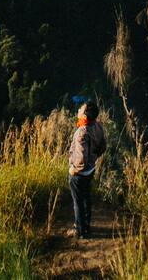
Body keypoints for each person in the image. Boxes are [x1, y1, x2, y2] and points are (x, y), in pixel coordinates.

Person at [66, 101, 107, 238]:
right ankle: (86, 226)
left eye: (81, 109)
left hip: (80, 173)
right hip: (90, 170)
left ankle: (79, 230)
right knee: (86, 198)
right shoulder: (98, 126)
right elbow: (103, 147)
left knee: (77, 201)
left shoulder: (82, 132)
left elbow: (81, 158)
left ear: (85, 115)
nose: (78, 110)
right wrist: (93, 158)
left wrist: (74, 169)